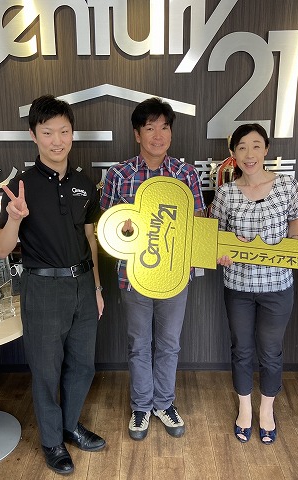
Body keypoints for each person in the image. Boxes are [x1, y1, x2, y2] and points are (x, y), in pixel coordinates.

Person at [0, 95, 105, 475]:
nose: (57, 141)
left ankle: (71, 425)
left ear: (72, 133)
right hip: (42, 289)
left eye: (64, 131)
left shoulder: (85, 184)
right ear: (33, 135)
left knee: (83, 365)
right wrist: (14, 218)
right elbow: (1, 248)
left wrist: (97, 288)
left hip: (83, 285)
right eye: (47, 133)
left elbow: (90, 239)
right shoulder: (20, 186)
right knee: (45, 371)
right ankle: (52, 441)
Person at [100, 97, 205, 441]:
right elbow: (106, 226)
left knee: (170, 343)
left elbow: (198, 222)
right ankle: (142, 406)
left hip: (175, 275)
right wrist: (125, 229)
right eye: (150, 128)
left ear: (171, 132)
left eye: (164, 127)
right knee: (138, 343)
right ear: (137, 134)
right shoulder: (118, 174)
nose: (158, 135)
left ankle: (164, 403)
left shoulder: (186, 174)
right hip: (134, 276)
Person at [209, 123, 298, 445]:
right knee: (241, 349)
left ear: (266, 149)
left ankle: (266, 410)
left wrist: (294, 241)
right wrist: (222, 251)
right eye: (241, 147)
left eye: (255, 146)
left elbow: (296, 217)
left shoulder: (286, 185)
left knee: (271, 350)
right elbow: (215, 234)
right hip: (238, 286)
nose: (249, 154)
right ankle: (244, 409)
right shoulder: (225, 193)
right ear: (233, 154)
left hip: (278, 285)